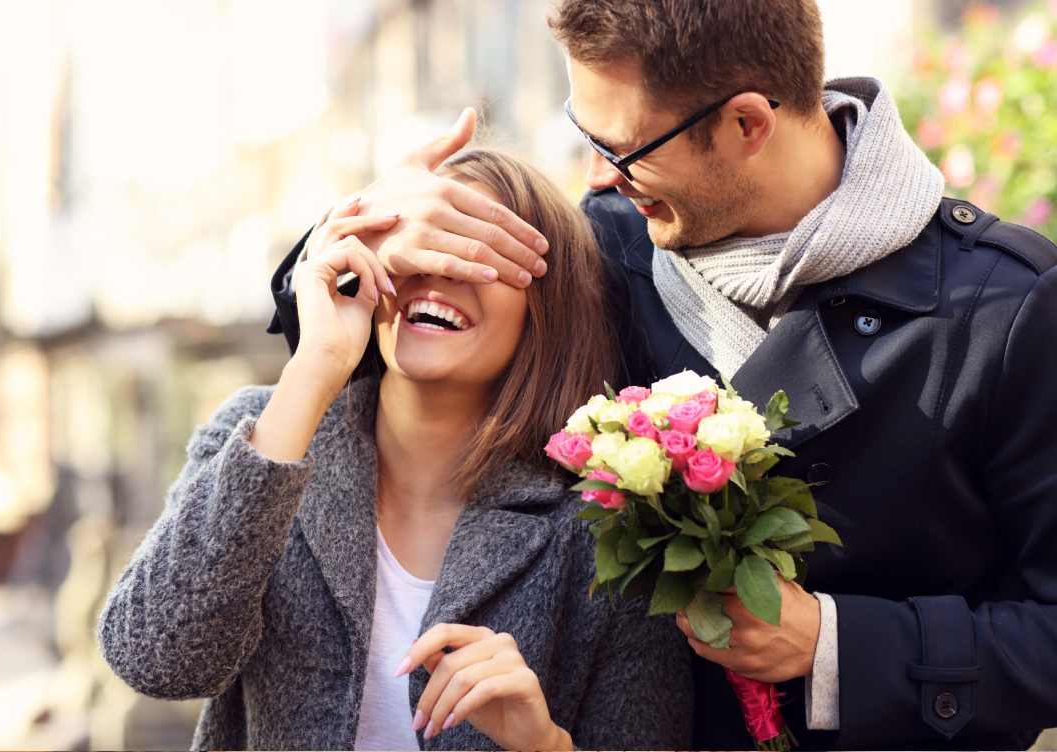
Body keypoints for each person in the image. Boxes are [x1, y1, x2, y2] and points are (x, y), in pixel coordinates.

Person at [267, 1, 1057, 749]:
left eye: (626, 149)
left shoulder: (1006, 306)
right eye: (587, 135)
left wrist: (833, 642)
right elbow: (371, 335)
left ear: (747, 121)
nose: (599, 176)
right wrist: (372, 223)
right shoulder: (596, 251)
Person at [97, 149, 693, 751]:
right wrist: (317, 364)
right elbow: (156, 659)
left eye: (478, 250)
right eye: (421, 244)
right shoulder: (264, 429)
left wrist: (543, 745)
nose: (440, 269)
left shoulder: (603, 525)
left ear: (546, 307)